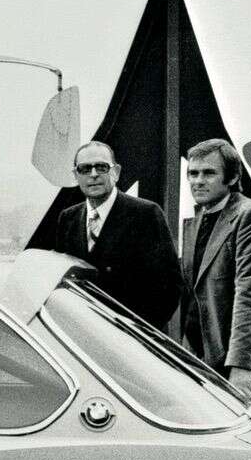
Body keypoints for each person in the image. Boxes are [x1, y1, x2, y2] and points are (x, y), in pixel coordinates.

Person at [178, 137, 251, 400]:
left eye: (209, 173)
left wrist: (242, 367)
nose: (198, 180)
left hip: (231, 361)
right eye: (193, 173)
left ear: (232, 178)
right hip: (199, 358)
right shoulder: (199, 217)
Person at [53, 139, 183, 329]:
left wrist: (142, 334)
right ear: (76, 175)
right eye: (85, 169)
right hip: (81, 336)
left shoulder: (146, 214)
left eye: (101, 167)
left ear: (116, 172)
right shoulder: (68, 218)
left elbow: (169, 287)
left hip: (131, 341)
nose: (94, 174)